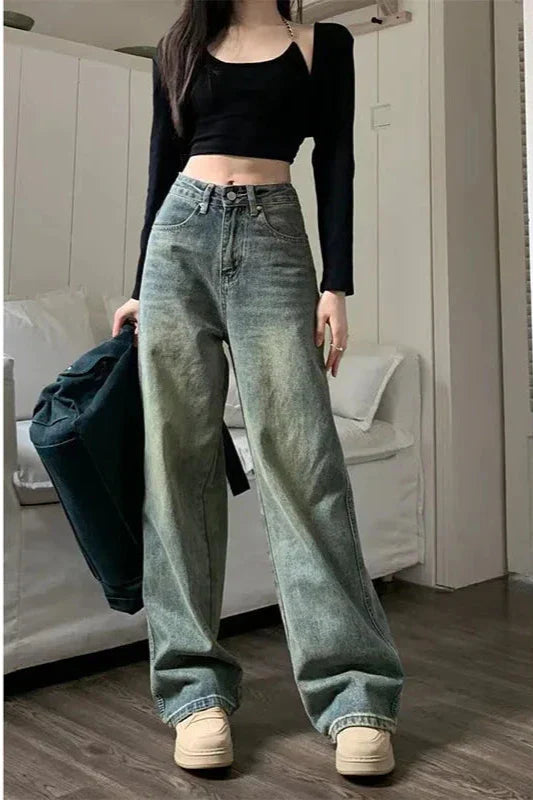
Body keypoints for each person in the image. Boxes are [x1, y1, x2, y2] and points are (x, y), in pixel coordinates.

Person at [113, 0, 404, 778]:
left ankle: (354, 693)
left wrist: (336, 283)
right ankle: (193, 693)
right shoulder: (180, 45)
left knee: (303, 463)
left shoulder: (323, 44)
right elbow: (163, 159)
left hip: (274, 237)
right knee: (176, 465)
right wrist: (140, 283)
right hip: (179, 240)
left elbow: (335, 158)